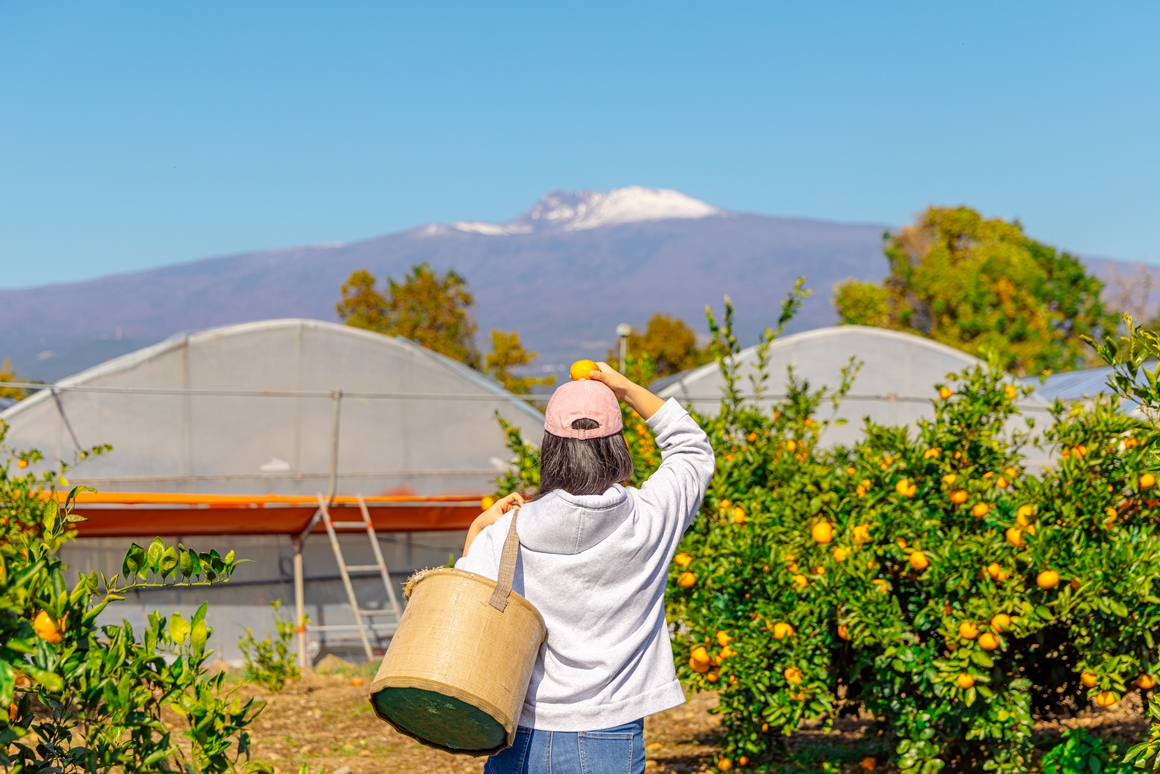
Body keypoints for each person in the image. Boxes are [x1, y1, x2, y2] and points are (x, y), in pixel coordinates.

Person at [456, 362, 715, 774]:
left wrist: (479, 526)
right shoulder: (650, 518)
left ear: (550, 448)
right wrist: (624, 387)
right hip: (608, 736)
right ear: (617, 446)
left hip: (519, 735)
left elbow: (464, 604)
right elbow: (692, 448)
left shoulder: (510, 531)